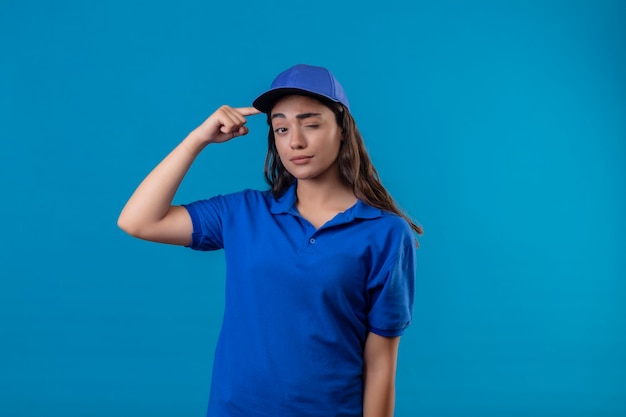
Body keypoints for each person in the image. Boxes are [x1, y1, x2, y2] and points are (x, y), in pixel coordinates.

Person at [118, 64, 422, 417]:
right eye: (281, 128)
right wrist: (197, 139)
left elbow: (381, 361)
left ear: (342, 129)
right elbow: (138, 221)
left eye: (311, 124)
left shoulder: (385, 232)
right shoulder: (242, 213)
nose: (295, 141)